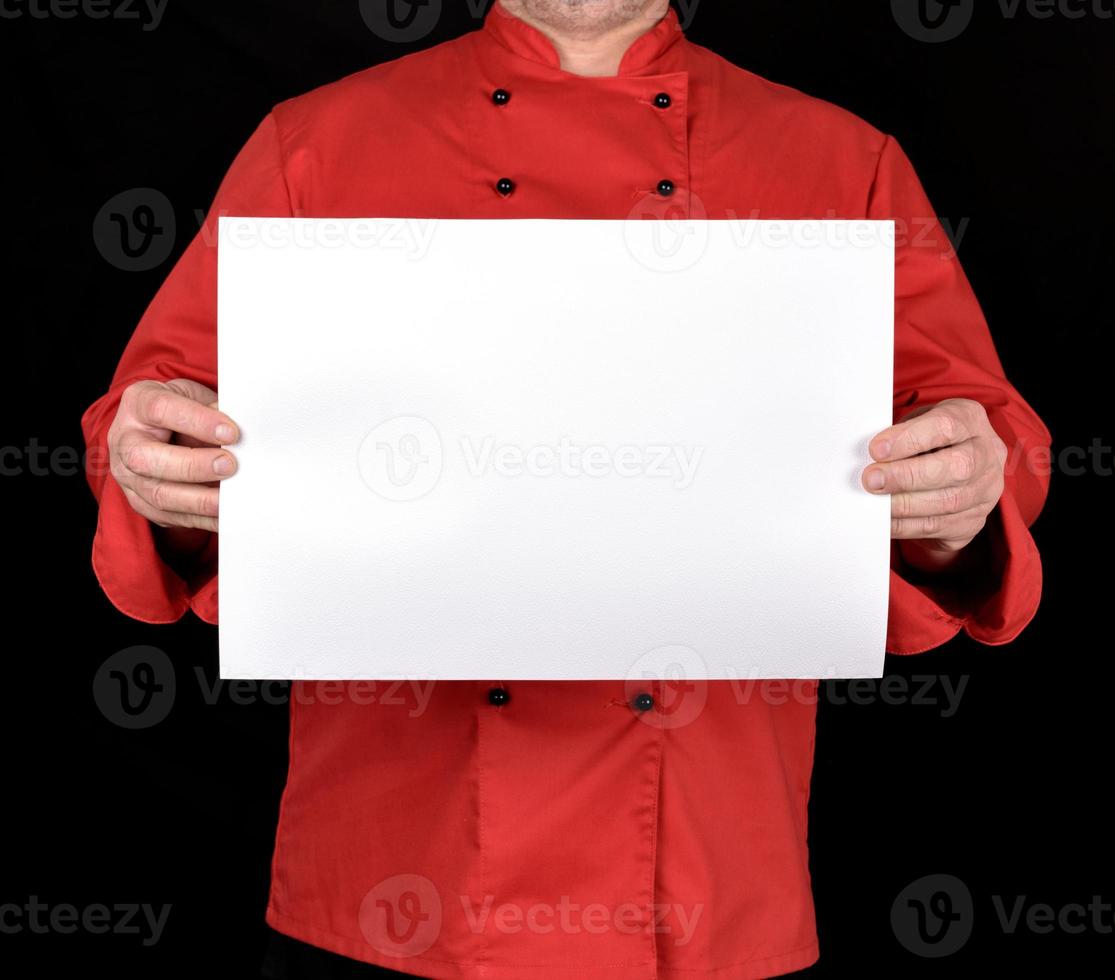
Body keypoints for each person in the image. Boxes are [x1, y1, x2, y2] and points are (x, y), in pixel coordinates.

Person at [80, 2, 1050, 977]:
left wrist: (955, 497)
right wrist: (157, 463)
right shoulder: (313, 141)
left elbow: (977, 433)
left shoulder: (840, 159)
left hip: (704, 889)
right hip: (396, 885)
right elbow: (158, 405)